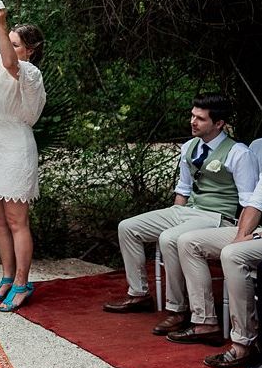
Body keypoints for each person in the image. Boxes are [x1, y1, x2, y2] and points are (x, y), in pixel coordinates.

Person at [103, 94, 259, 339]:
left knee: (169, 238)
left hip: (217, 216)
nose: (193, 122)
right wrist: (176, 215)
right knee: (128, 227)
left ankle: (178, 310)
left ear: (218, 123)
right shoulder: (189, 147)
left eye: (200, 118)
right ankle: (139, 294)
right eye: (192, 116)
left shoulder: (239, 153)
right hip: (188, 211)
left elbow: (249, 200)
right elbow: (183, 190)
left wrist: (241, 233)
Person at [0, 9, 46, 312]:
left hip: (17, 146)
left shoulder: (29, 72)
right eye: (7, 42)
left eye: (15, 44)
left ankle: (22, 282)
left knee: (17, 220)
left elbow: (9, 63)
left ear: (29, 51)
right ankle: (6, 276)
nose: (8, 49)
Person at [172, 173, 261, 364]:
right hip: (258, 231)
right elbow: (255, 204)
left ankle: (244, 344)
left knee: (233, 255)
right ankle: (205, 322)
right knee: (189, 241)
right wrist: (242, 235)